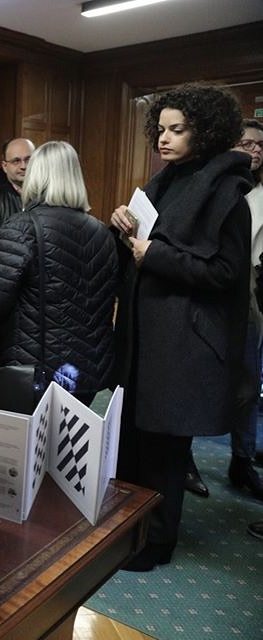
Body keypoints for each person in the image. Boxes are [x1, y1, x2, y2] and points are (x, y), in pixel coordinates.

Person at [111, 84, 253, 572]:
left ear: (206, 132)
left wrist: (158, 255)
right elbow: (145, 244)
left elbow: (227, 274)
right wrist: (124, 228)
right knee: (133, 440)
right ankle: (129, 531)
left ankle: (158, 544)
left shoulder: (227, 192)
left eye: (178, 129)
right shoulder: (164, 181)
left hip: (184, 343)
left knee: (164, 452)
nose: (164, 139)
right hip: (147, 339)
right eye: (161, 129)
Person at [0, 141, 118, 408]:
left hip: (32, 369)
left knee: (24, 447)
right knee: (67, 445)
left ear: (37, 175)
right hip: (83, 370)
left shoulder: (21, 226)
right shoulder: (101, 232)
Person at [185, 119, 263, 502]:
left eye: (260, 145)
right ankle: (185, 459)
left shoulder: (259, 193)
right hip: (208, 295)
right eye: (247, 143)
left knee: (248, 385)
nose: (255, 151)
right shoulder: (211, 189)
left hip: (249, 295)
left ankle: (242, 460)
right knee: (193, 381)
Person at [0, 137, 35, 237]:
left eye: (28, 160)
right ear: (4, 166)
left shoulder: (49, 197)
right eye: (16, 161)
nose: (23, 166)